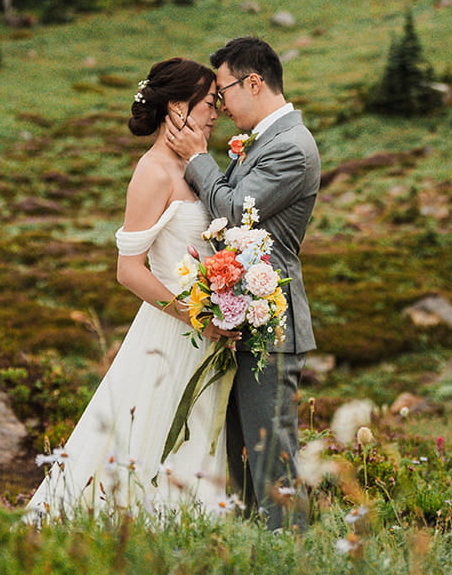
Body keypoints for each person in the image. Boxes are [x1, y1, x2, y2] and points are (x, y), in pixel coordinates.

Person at [25, 57, 231, 521]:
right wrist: (192, 313)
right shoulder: (153, 171)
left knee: (199, 436)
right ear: (178, 106)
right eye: (208, 102)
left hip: (209, 332)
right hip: (175, 330)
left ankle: (197, 528)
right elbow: (128, 269)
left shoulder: (200, 168)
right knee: (156, 434)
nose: (216, 112)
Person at [164, 35, 320, 529]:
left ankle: (296, 564)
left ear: (253, 83)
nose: (222, 106)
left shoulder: (291, 147)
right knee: (243, 461)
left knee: (273, 458)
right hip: (245, 321)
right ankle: (259, 563)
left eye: (225, 91)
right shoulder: (265, 140)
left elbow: (235, 214)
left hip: (273, 325)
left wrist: (195, 160)